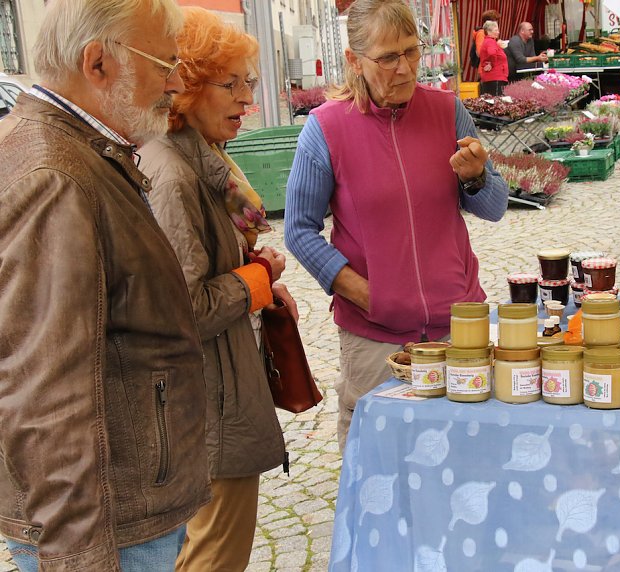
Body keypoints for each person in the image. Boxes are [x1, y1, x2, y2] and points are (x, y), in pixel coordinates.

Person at [0, 0, 211, 569]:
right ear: (98, 64)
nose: (175, 81)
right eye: (163, 63)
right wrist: (80, 559)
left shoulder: (81, 153)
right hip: (108, 525)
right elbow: (46, 394)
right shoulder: (57, 175)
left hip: (125, 504)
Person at [284, 0, 508, 452]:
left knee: (466, 459)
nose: (405, 68)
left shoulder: (448, 112)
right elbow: (299, 230)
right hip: (375, 342)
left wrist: (476, 177)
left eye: (412, 51)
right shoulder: (326, 128)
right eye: (388, 57)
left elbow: (496, 206)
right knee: (382, 470)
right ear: (355, 60)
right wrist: (366, 294)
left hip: (458, 329)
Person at [137, 8, 294, 570]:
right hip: (208, 404)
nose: (247, 98)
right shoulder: (174, 174)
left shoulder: (199, 161)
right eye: (229, 84)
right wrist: (252, 283)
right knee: (216, 554)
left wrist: (259, 277)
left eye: (247, 82)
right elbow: (183, 308)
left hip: (212, 393)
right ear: (187, 87)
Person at [479, 20, 508, 96]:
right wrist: (492, 63)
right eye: (496, 30)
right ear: (489, 31)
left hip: (494, 78)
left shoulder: (490, 42)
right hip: (495, 78)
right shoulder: (490, 42)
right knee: (496, 102)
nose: (498, 32)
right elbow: (492, 53)